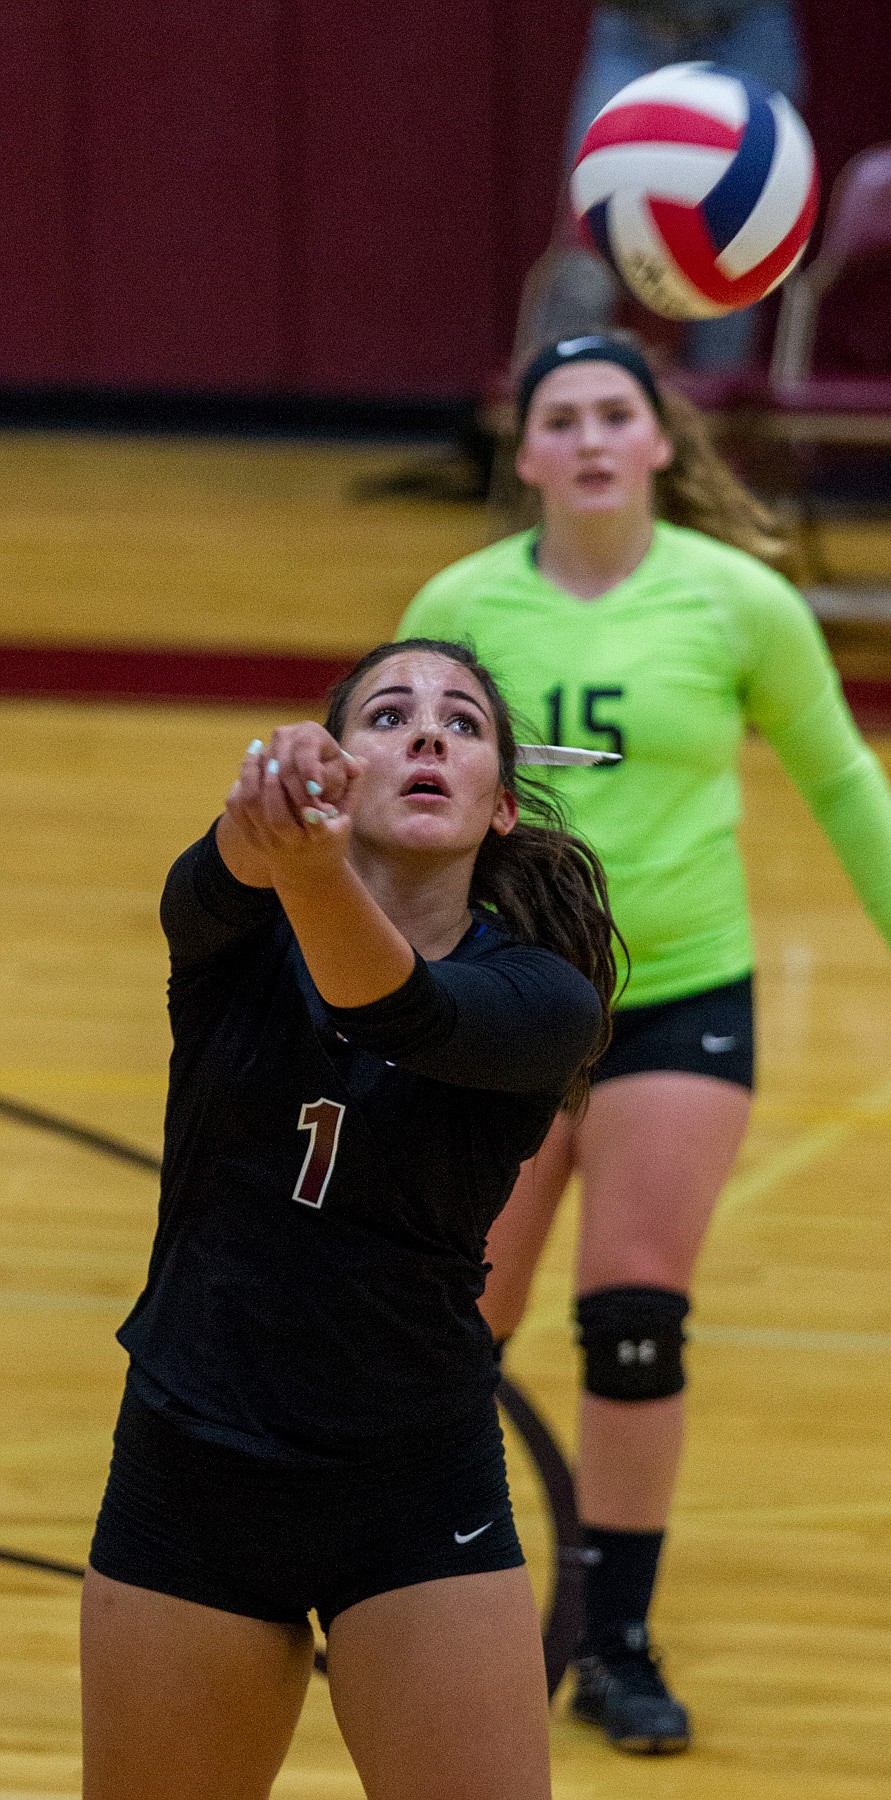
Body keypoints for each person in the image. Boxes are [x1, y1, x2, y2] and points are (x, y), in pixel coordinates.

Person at [396, 333, 891, 1756]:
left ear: (663, 442)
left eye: (621, 411)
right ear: (531, 454)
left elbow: (841, 778)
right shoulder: (462, 604)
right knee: (444, 1325)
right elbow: (395, 788)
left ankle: (615, 1640)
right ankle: (422, 1596)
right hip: (500, 999)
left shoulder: (736, 601)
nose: (597, 436)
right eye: (567, 417)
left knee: (630, 1319)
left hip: (680, 996)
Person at [80, 639, 620, 1800]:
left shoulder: (542, 1001)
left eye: (463, 724)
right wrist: (257, 813)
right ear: (336, 769)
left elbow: (400, 1011)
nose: (428, 733)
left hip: (411, 1486)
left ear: (502, 810)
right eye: (387, 716)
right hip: (192, 1466)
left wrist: (306, 859)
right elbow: (216, 877)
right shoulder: (229, 938)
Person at [527, 0, 806, 369]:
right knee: (588, 233)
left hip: (747, 24)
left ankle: (713, 418)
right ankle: (555, 399)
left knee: (740, 237)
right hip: (632, 23)